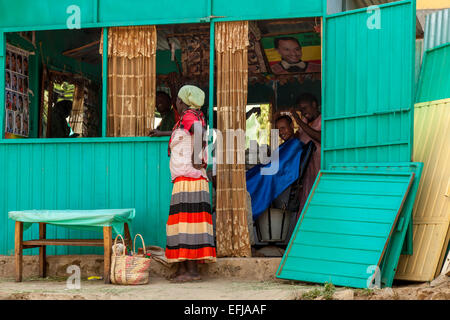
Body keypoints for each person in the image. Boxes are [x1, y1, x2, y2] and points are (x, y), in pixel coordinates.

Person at [165, 85, 216, 282]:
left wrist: (196, 157)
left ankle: (192, 272)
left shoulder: (188, 116)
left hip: (189, 179)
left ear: (182, 102)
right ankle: (184, 268)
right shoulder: (192, 116)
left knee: (187, 226)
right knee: (183, 225)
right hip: (188, 179)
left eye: (177, 100)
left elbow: (198, 131)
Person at [289, 93, 321, 218]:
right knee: (306, 208)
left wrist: (298, 121)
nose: (303, 113)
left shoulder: (322, 120)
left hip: (319, 171)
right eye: (301, 110)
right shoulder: (305, 122)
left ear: (314, 105)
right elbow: (295, 140)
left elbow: (319, 137)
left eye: (305, 108)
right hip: (307, 174)